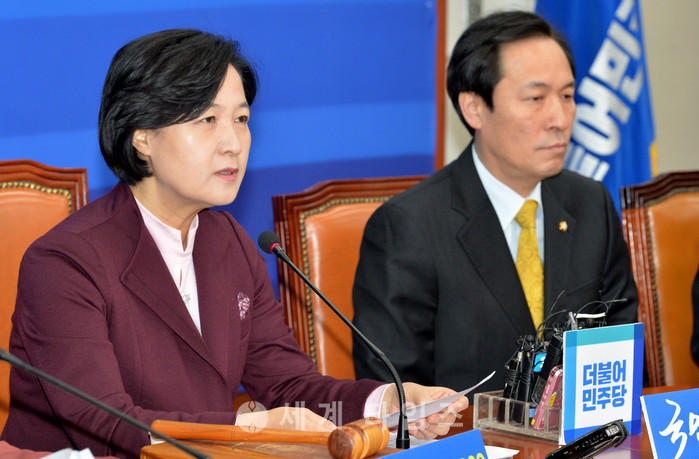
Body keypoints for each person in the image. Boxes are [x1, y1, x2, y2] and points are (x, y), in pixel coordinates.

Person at [1, 29, 467, 457]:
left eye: (241, 119)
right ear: (142, 137)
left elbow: (287, 386)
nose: (234, 143)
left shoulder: (229, 242)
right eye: (207, 119)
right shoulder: (65, 262)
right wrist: (250, 430)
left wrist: (391, 403)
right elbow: (106, 423)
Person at [352, 11, 638, 394]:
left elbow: (621, 355)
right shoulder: (409, 227)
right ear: (474, 108)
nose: (560, 118)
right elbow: (396, 397)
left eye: (568, 96)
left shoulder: (590, 204)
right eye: (535, 98)